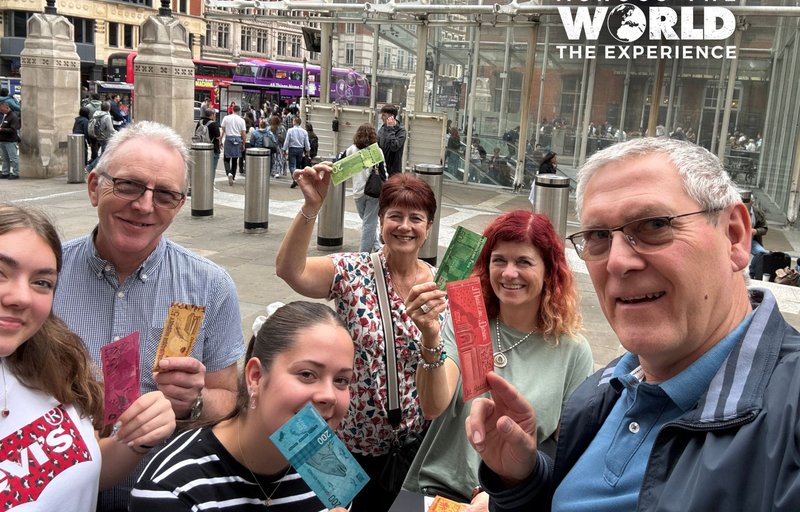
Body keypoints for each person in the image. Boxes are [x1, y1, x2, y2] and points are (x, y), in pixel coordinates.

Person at [466, 137, 800, 512]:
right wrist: (521, 481)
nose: (617, 262)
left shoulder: (788, 422)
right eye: (598, 236)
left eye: (654, 225)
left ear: (734, 236)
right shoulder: (603, 390)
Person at [53, 121, 245, 511]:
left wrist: (192, 402)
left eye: (165, 195)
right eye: (128, 185)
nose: (144, 205)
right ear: (94, 187)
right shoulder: (45, 276)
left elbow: (228, 399)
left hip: (160, 499)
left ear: (180, 205)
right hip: (56, 495)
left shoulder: (210, 287)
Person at [403, 210, 593, 506]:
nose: (509, 273)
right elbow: (433, 405)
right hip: (438, 491)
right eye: (499, 260)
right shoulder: (466, 318)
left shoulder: (573, 350)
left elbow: (569, 451)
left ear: (549, 271)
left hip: (512, 498)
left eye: (524, 262)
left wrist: (497, 496)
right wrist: (430, 338)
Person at [276, 169, 439, 511]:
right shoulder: (352, 271)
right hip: (344, 442)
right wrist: (311, 207)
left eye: (415, 218)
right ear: (380, 221)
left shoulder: (441, 286)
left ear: (428, 226)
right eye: (395, 216)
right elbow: (291, 271)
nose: (405, 226)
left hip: (412, 446)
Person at [0, 202, 176, 510]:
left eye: (42, 282)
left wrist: (138, 438)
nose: (21, 297)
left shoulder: (50, 363)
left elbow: (84, 472)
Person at [130, 301, 354, 512]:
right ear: (255, 376)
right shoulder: (172, 489)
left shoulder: (332, 467)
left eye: (341, 380)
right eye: (307, 374)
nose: (329, 396)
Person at [346, 124, 387, 253]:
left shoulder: (352, 149)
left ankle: (365, 252)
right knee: (369, 222)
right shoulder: (376, 150)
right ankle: (368, 250)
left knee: (368, 222)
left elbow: (342, 164)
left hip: (358, 192)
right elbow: (384, 172)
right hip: (374, 191)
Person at [743, 190, 769, 279]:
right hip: (736, 240)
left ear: (752, 202)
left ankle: (752, 273)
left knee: (761, 253)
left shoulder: (757, 212)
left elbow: (765, 228)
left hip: (751, 240)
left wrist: (756, 231)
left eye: (748, 202)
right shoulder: (734, 209)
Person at [86, 101, 116, 172]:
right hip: (105, 137)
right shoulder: (107, 117)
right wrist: (118, 133)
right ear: (109, 108)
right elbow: (110, 129)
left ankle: (99, 168)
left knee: (103, 154)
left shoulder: (96, 114)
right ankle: (90, 168)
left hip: (98, 136)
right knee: (103, 155)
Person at [221, 104, 246, 185]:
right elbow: (243, 133)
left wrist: (220, 141)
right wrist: (243, 143)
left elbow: (222, 130)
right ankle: (233, 177)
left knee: (226, 159)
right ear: (239, 111)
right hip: (238, 139)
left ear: (232, 110)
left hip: (228, 138)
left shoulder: (226, 118)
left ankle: (229, 173)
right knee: (235, 160)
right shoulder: (241, 120)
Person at [378, 104, 406, 176]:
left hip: (393, 172)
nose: (381, 118)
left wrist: (390, 129)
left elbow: (394, 147)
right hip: (382, 169)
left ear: (391, 117)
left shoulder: (401, 131)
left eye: (384, 115)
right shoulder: (383, 128)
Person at [283, 116, 311, 189]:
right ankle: (298, 178)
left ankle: (294, 178)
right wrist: (307, 150)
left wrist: (284, 149)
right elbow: (306, 143)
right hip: (300, 149)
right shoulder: (304, 132)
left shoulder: (290, 130)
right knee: (299, 165)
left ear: (294, 122)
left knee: (291, 165)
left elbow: (287, 141)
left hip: (292, 148)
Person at [0, 99, 21, 180]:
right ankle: (5, 172)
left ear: (7, 107)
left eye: (2, 109)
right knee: (4, 158)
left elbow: (13, 129)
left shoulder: (13, 117)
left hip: (10, 141)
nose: (1, 111)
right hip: (3, 140)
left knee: (13, 158)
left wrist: (2, 129)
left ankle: (16, 173)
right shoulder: (5, 116)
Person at [198, 107, 222, 177]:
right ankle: (210, 182)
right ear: (212, 115)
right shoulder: (214, 124)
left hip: (200, 149)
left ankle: (202, 181)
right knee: (212, 169)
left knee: (202, 169)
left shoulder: (200, 122)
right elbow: (218, 136)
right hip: (213, 149)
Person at [269, 114, 287, 178]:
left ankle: (272, 171)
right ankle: (278, 172)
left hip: (271, 145)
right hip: (280, 145)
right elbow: (284, 138)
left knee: (273, 159)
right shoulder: (282, 128)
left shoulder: (269, 128)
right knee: (279, 159)